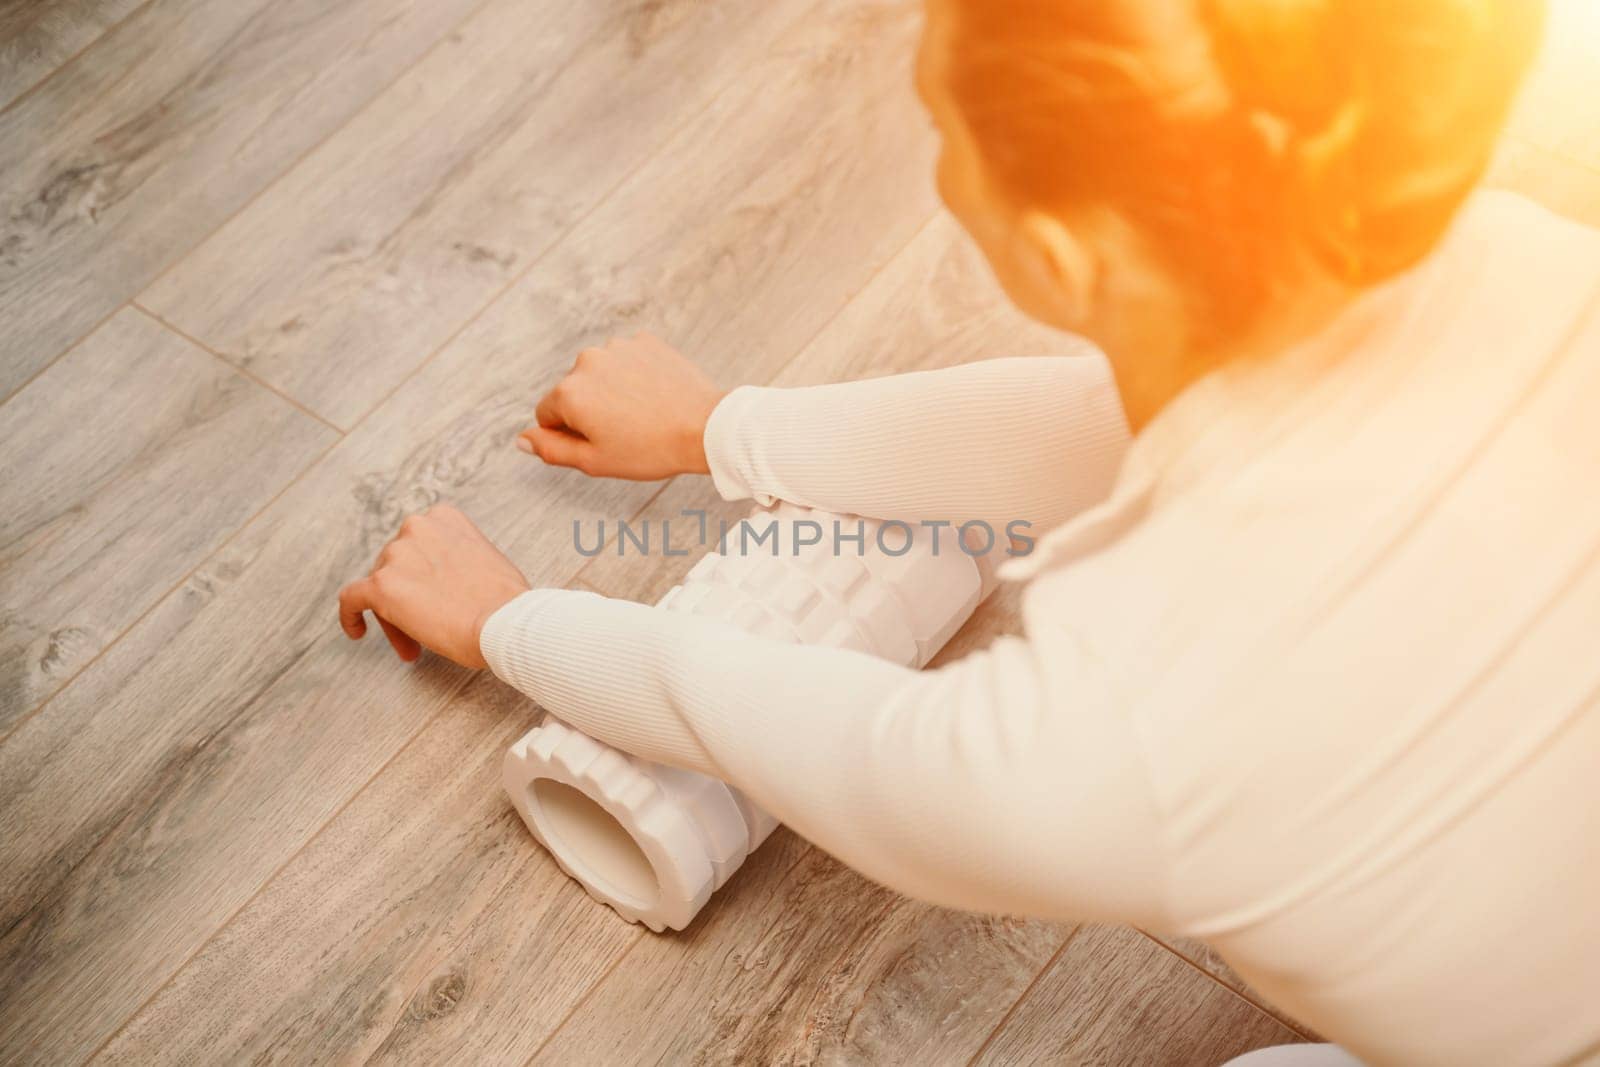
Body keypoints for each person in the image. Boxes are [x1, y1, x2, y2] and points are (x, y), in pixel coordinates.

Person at [337, 2, 1600, 1063]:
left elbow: (788, 720)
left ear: (1053, 248)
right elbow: (1094, 426)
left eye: (944, 135)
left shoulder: (1111, 730)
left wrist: (505, 618)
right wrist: (725, 427)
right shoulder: (1529, 260)